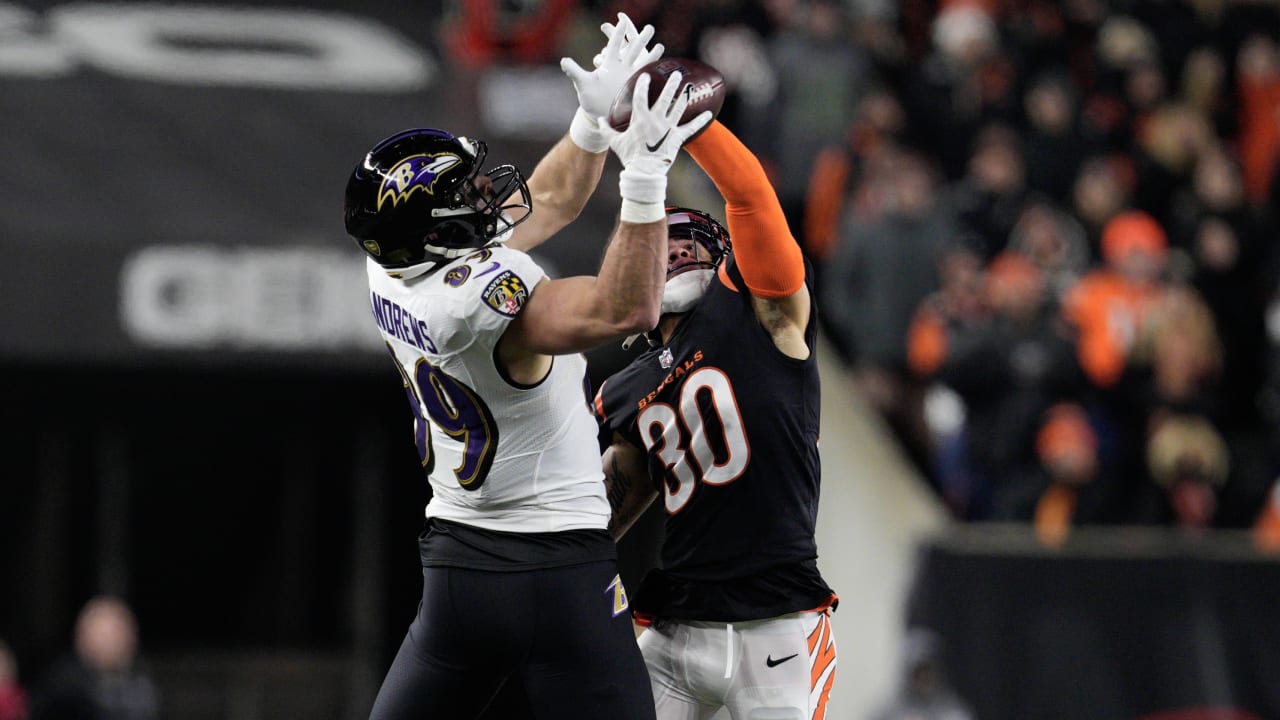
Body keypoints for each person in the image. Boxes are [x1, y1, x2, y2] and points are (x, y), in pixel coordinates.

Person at [342, 14, 713, 720]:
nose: (486, 197)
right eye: (468, 196)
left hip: (456, 570)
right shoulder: (477, 301)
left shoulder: (390, 267)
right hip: (557, 574)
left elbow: (548, 200)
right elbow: (622, 310)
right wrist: (646, 176)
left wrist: (592, 123)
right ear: (439, 231)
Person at [593, 116, 839, 719]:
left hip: (777, 627)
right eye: (661, 241)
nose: (675, 248)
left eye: (690, 239)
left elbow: (750, 194)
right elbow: (599, 517)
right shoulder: (627, 388)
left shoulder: (757, 313)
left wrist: (693, 125)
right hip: (676, 627)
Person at [29, 596, 159, 720]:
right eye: (105, 636)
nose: (114, 642)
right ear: (82, 638)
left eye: (119, 633)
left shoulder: (142, 687)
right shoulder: (62, 690)